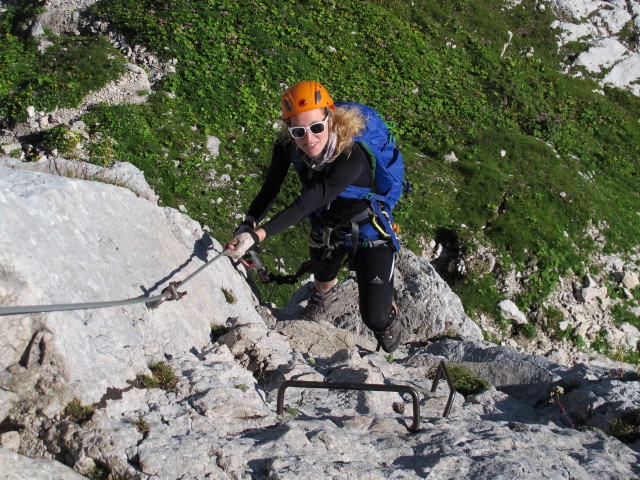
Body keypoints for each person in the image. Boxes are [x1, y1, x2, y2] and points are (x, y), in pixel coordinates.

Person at [225, 81, 402, 353]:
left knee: (375, 319)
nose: (308, 139)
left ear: (330, 118)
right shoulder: (288, 145)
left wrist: (256, 236)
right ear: (288, 129)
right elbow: (270, 187)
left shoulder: (350, 155)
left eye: (316, 127)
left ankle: (387, 312)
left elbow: (308, 201)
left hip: (368, 229)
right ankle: (321, 298)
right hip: (327, 225)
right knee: (322, 273)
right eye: (298, 130)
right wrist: (249, 222)